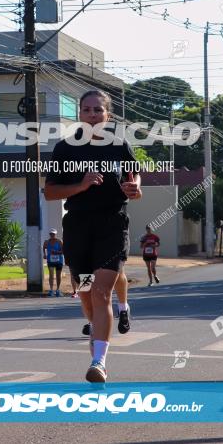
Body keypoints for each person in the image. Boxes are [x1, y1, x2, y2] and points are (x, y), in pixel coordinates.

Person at [44, 89, 142, 383]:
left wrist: (135, 187)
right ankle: (97, 329)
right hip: (78, 228)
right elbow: (50, 192)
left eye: (97, 110)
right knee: (85, 291)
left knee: (102, 292)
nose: (91, 115)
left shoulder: (118, 145)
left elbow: (134, 175)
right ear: (79, 114)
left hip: (112, 226)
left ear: (107, 115)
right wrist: (81, 186)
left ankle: (99, 361)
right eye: (86, 110)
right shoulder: (65, 149)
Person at [43, 229, 64, 297]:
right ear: (49, 234)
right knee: (51, 275)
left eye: (53, 234)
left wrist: (56, 252)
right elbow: (44, 248)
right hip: (50, 260)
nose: (52, 235)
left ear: (56, 234)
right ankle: (51, 290)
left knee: (58, 276)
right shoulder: (46, 242)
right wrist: (45, 254)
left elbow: (63, 251)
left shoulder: (59, 241)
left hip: (59, 261)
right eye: (51, 234)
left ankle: (58, 290)